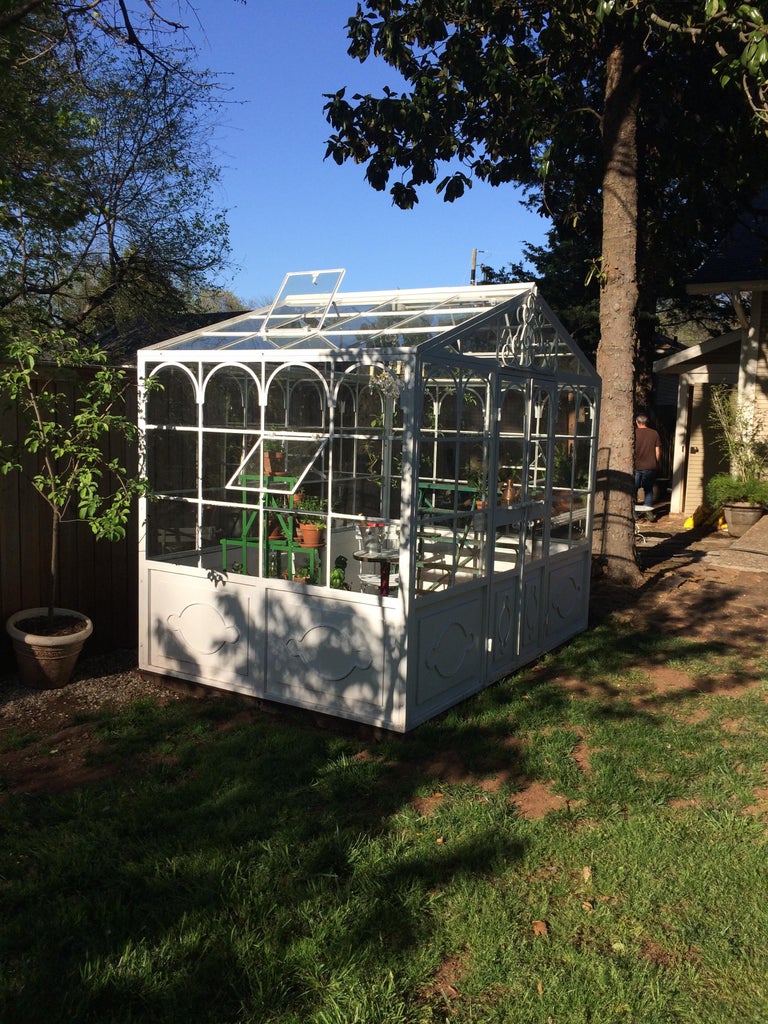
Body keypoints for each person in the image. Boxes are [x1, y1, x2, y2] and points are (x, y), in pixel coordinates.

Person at [634, 413, 661, 517]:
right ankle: (648, 511)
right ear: (646, 422)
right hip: (650, 466)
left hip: (636, 466)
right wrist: (656, 462)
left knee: (634, 490)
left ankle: (634, 513)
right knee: (648, 490)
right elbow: (657, 451)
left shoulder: (634, 433)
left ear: (637, 422)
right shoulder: (654, 433)